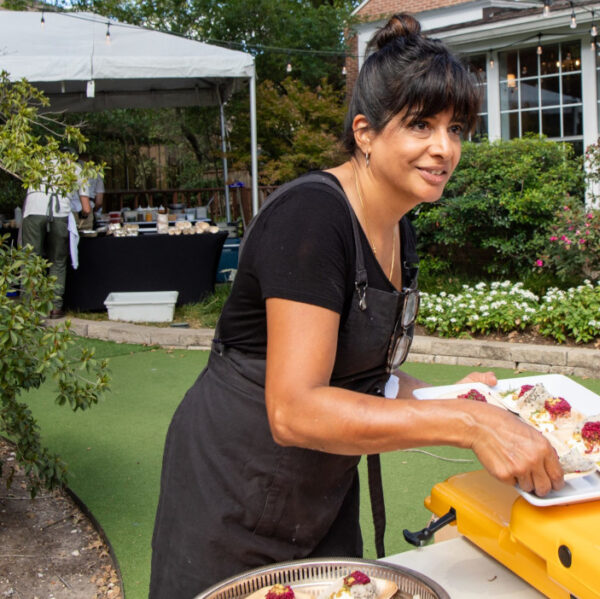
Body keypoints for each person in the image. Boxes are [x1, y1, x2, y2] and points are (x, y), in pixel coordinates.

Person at [148, 14, 563, 598]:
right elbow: (294, 410)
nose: (444, 148)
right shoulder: (312, 217)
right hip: (234, 489)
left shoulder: (399, 222)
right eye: (421, 125)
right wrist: (468, 423)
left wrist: (461, 397)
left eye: (456, 129)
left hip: (322, 487)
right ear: (365, 133)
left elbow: (367, 376)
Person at [20, 158, 82, 319]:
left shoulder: (37, 162)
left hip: (34, 211)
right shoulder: (76, 168)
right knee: (58, 260)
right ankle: (55, 307)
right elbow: (87, 207)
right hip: (60, 213)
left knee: (31, 260)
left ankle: (31, 308)